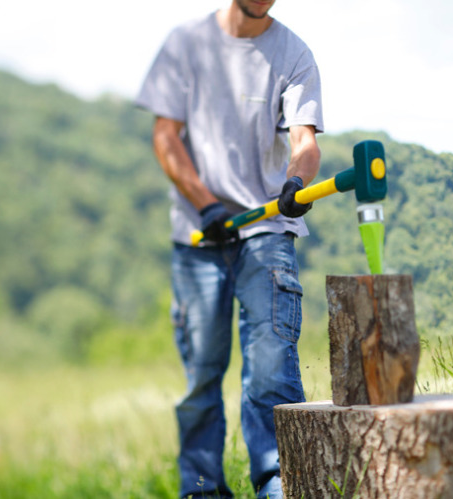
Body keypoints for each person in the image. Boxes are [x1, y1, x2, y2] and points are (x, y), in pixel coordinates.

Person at [135, 1, 322, 497]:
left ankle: (281, 487)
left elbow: (305, 141)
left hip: (267, 230)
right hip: (199, 237)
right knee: (202, 380)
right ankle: (201, 489)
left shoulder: (294, 53)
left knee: (271, 371)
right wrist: (206, 204)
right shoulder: (186, 44)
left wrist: (297, 180)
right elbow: (165, 136)